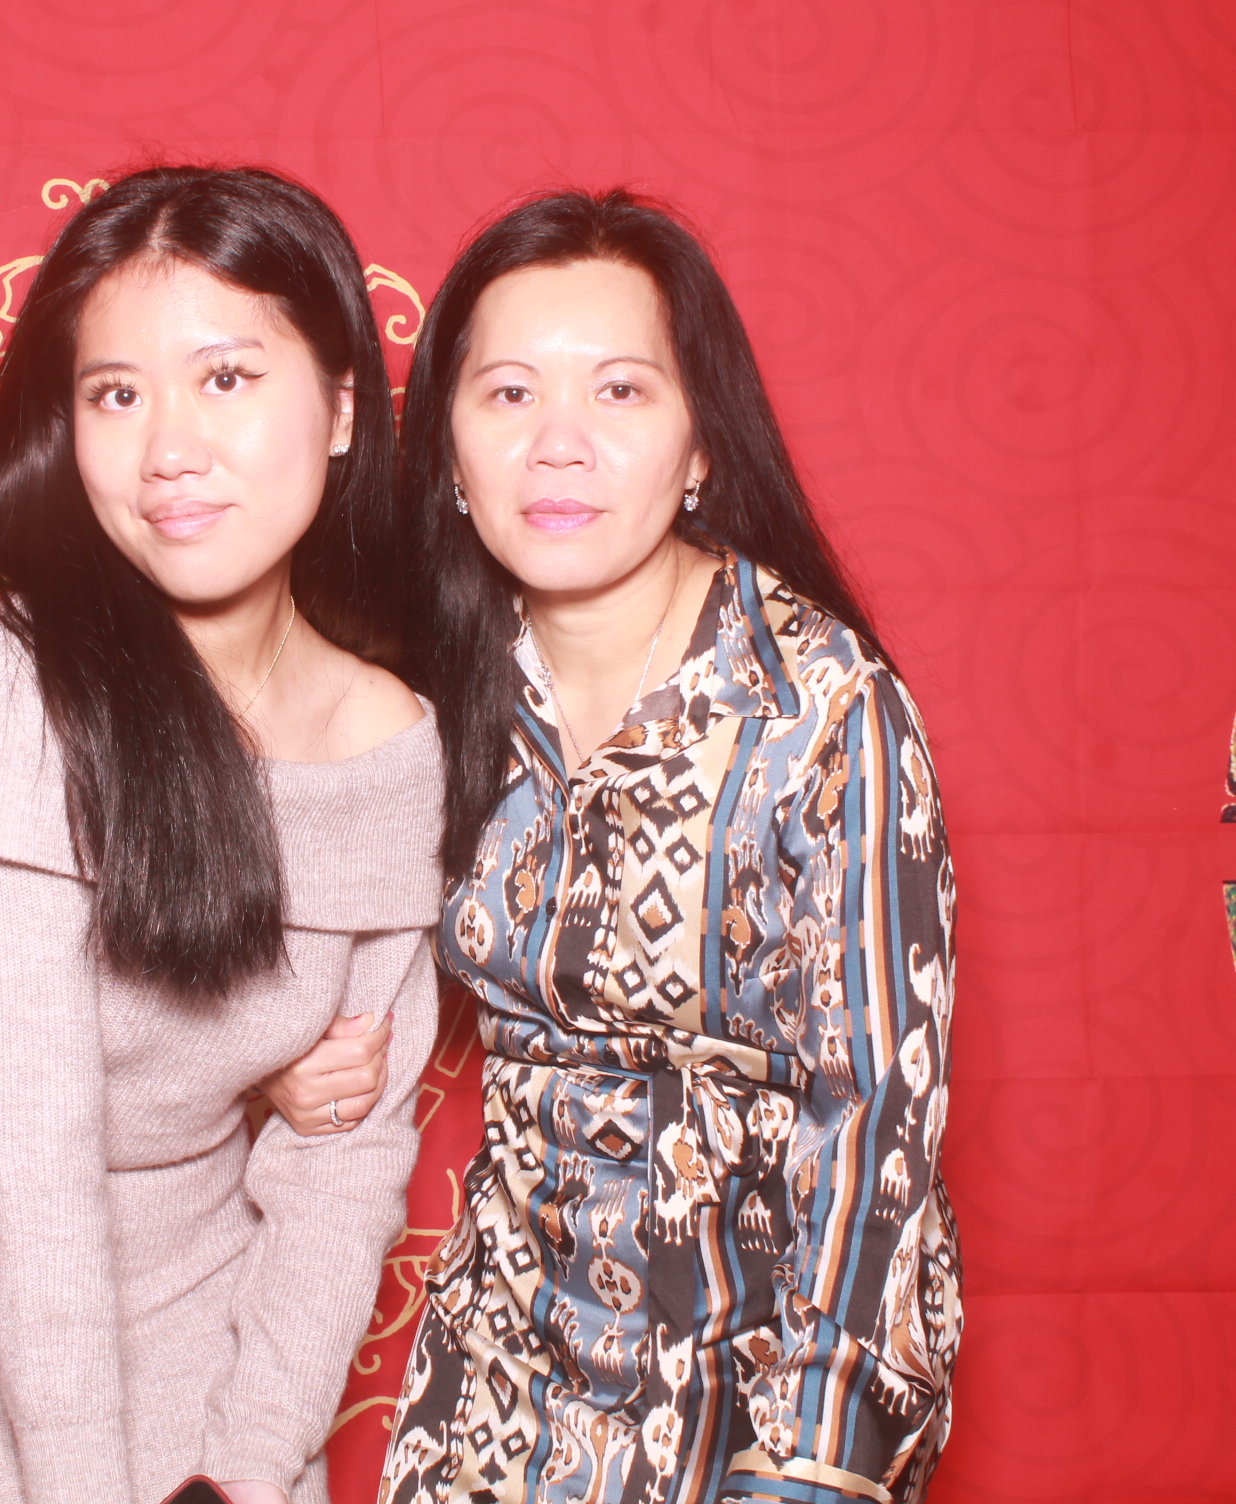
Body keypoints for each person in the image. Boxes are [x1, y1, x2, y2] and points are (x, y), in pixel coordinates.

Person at [0, 166, 443, 1504]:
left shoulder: (394, 745)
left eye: (226, 378)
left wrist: (252, 1468)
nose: (167, 453)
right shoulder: (29, 681)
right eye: (115, 395)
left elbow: (345, 1166)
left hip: (205, 1265)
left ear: (339, 410)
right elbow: (20, 1161)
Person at [344, 190, 960, 1504]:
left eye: (620, 392)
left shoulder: (821, 709)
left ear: (701, 446)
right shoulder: (423, 693)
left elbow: (876, 1120)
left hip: (761, 1376)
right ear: (446, 448)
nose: (558, 445)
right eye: (509, 395)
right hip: (500, 1373)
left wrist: (815, 1455)